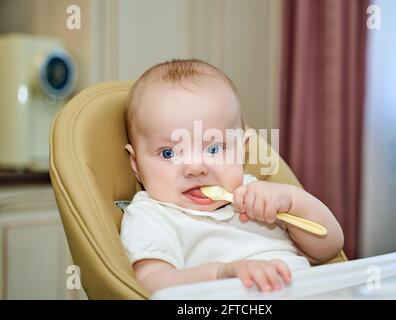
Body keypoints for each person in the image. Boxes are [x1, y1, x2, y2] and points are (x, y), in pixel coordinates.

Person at [120, 58, 344, 295]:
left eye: (214, 149)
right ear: (136, 165)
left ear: (242, 149)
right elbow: (152, 283)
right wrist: (221, 274)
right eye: (168, 152)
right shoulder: (153, 215)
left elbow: (328, 248)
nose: (195, 168)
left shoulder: (257, 194)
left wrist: (292, 201)